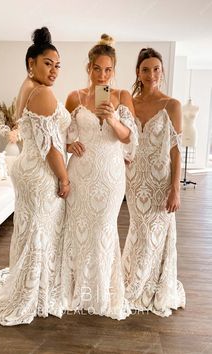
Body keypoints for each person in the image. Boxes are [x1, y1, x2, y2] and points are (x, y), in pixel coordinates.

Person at [0, 27, 71, 326]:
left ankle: (28, 283)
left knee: (31, 230)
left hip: (26, 167)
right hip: (41, 173)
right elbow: (50, 148)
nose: (54, 70)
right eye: (48, 63)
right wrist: (65, 179)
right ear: (31, 62)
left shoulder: (27, 86)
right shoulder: (42, 92)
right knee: (40, 231)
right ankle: (33, 292)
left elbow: (43, 136)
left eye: (58, 65)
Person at [61, 34, 138, 320]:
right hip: (80, 174)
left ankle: (101, 293)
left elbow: (130, 139)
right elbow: (58, 137)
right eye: (97, 69)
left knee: (103, 230)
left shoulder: (121, 97)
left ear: (114, 70)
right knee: (78, 230)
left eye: (108, 70)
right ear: (89, 68)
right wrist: (69, 145)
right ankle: (76, 290)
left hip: (109, 178)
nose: (102, 75)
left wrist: (113, 119)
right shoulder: (75, 97)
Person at [122, 48, 185, 317]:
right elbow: (123, 138)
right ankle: (131, 279)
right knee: (138, 231)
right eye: (145, 69)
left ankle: (149, 286)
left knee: (154, 234)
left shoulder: (172, 105)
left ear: (162, 71)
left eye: (156, 68)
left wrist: (175, 188)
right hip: (135, 180)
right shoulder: (129, 103)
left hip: (159, 182)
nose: (151, 74)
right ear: (138, 72)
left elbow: (176, 150)